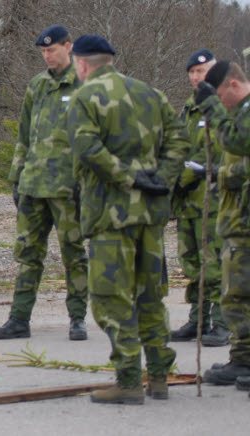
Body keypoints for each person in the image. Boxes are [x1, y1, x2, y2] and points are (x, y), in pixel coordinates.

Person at [67, 34, 187, 405]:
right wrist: (161, 178)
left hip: (110, 214)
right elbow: (180, 140)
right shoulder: (151, 94)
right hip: (150, 213)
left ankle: (130, 379)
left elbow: (87, 149)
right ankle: (160, 377)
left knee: (111, 298)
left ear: (82, 64)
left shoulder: (85, 96)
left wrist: (126, 176)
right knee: (151, 295)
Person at [0, 24, 89, 341]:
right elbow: (24, 135)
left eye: (52, 50)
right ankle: (19, 319)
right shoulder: (37, 85)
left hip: (67, 187)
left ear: (68, 47)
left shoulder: (84, 84)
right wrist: (16, 178)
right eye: (43, 52)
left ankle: (77, 318)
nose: (48, 56)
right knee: (28, 254)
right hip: (34, 184)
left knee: (73, 254)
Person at [193, 60, 250, 386]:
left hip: (244, 220)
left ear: (232, 85)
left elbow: (236, 142)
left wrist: (212, 109)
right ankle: (242, 358)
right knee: (238, 294)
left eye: (219, 95)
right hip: (238, 217)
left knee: (237, 296)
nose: (220, 104)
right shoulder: (241, 113)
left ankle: (244, 359)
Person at [170, 49, 228, 346]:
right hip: (188, 203)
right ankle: (197, 320)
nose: (196, 77)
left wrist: (188, 176)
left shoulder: (223, 106)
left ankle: (221, 322)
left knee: (215, 264)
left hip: (214, 200)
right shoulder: (189, 108)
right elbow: (179, 146)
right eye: (192, 72)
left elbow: (221, 151)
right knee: (191, 263)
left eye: (202, 72)